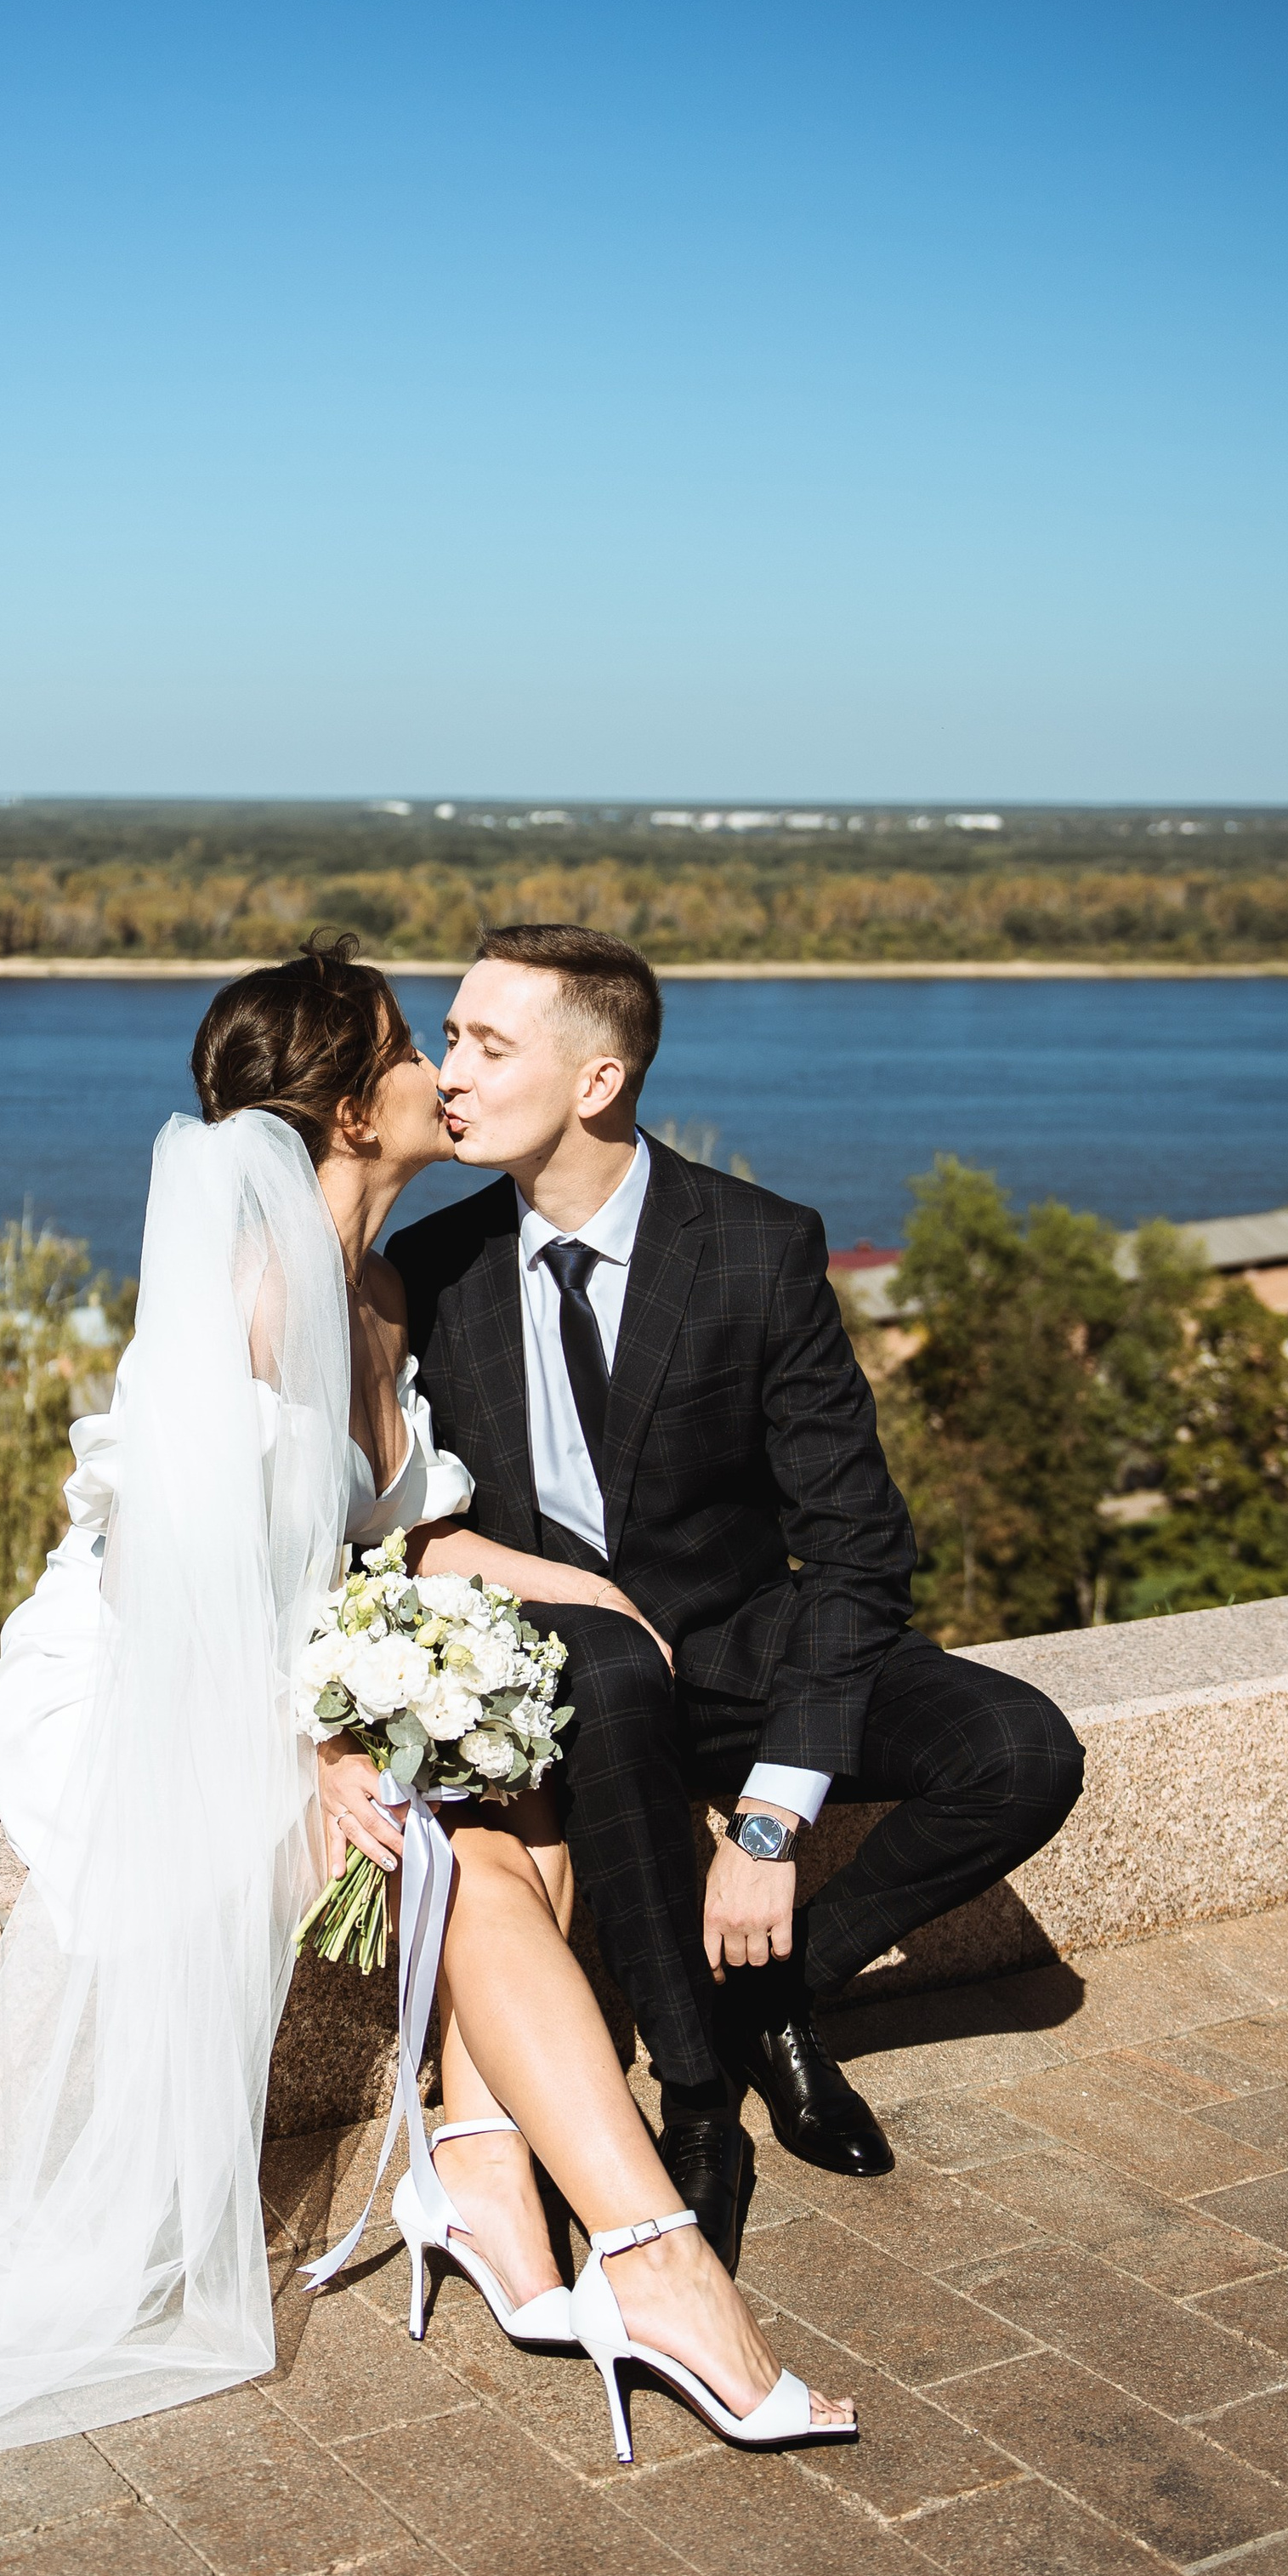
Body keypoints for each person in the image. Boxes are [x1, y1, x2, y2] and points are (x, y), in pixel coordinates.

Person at [0, 941, 845, 2541]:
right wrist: (298, 1758)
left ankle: (492, 2185)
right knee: (478, 1863)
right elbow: (160, 1575)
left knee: (520, 1804)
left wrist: (599, 1599)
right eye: (411, 1047)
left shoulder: (375, 1284)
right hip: (137, 1690)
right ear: (357, 1112)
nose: (445, 1062)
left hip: (272, 1660)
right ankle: (659, 2263)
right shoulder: (249, 1292)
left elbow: (391, 1534)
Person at [387, 921, 1087, 2263]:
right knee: (610, 1668)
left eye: (484, 1043)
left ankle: (773, 2001)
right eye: (447, 1034)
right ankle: (700, 2103)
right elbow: (397, 1524)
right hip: (581, 1685)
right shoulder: (431, 1276)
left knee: (1020, 1751)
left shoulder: (757, 1248)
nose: (447, 1071)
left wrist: (771, 1823)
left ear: (597, 1081)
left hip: (748, 1647)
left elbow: (859, 1539)